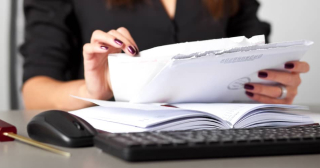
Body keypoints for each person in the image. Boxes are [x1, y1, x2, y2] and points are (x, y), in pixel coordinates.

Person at [21, 0, 310, 110]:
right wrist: (94, 89)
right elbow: (33, 93)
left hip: (215, 143)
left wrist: (275, 86)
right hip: (106, 149)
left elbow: (262, 63)